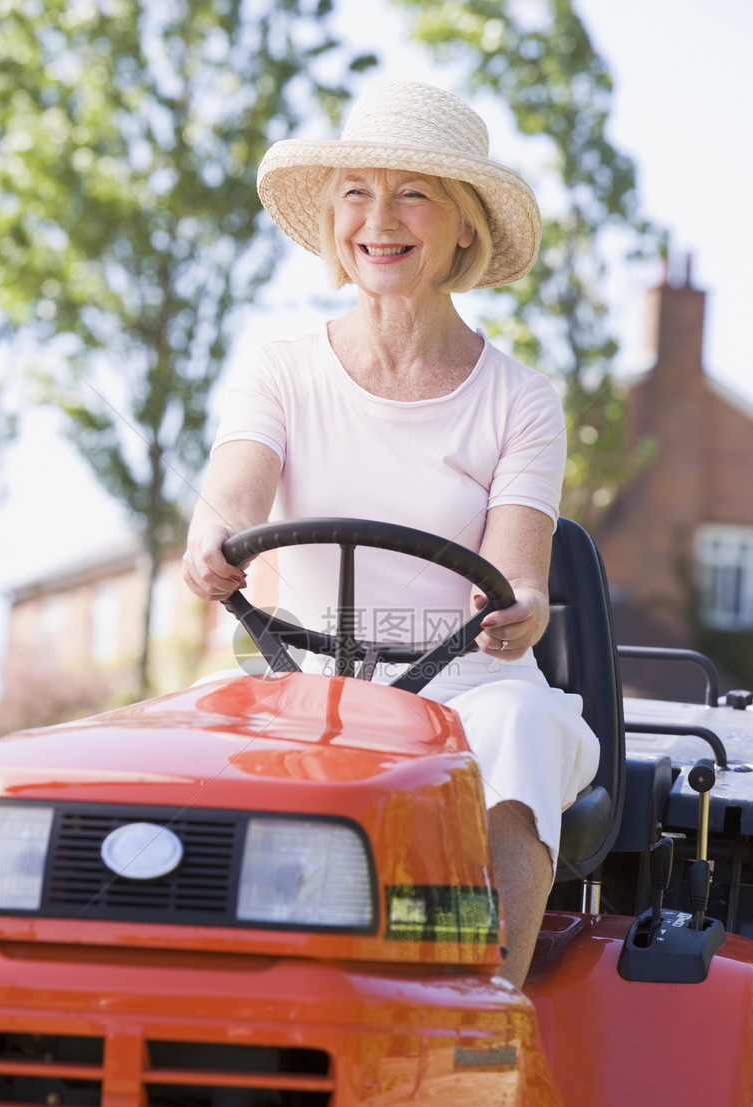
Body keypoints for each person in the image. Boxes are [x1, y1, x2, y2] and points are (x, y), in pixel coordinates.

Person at [182, 80, 600, 988]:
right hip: (305, 673)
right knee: (183, 734)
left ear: (462, 228)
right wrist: (212, 535)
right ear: (335, 219)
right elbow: (233, 490)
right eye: (356, 192)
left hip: (465, 683)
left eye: (413, 192)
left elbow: (521, 575)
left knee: (522, 728)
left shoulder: (519, 399)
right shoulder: (280, 369)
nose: (379, 218)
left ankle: (484, 1006)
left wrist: (524, 609)